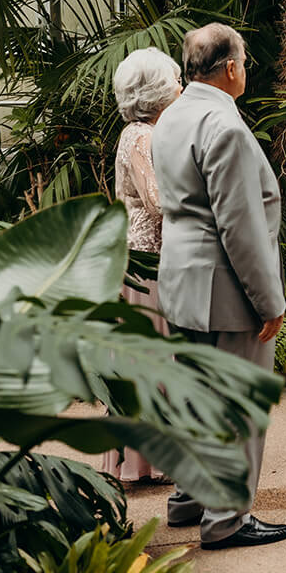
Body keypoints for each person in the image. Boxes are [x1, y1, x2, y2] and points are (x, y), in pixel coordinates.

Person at [150, 23, 286, 550]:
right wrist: (268, 300)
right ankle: (227, 518)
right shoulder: (223, 124)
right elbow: (240, 225)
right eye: (245, 62)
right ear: (230, 68)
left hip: (181, 279)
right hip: (225, 286)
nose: (245, 70)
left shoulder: (171, 116)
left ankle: (188, 497)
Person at [101, 47, 182, 486]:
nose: (180, 88)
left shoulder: (138, 133)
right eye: (175, 81)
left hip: (141, 256)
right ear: (156, 92)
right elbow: (157, 201)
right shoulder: (141, 138)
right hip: (146, 259)